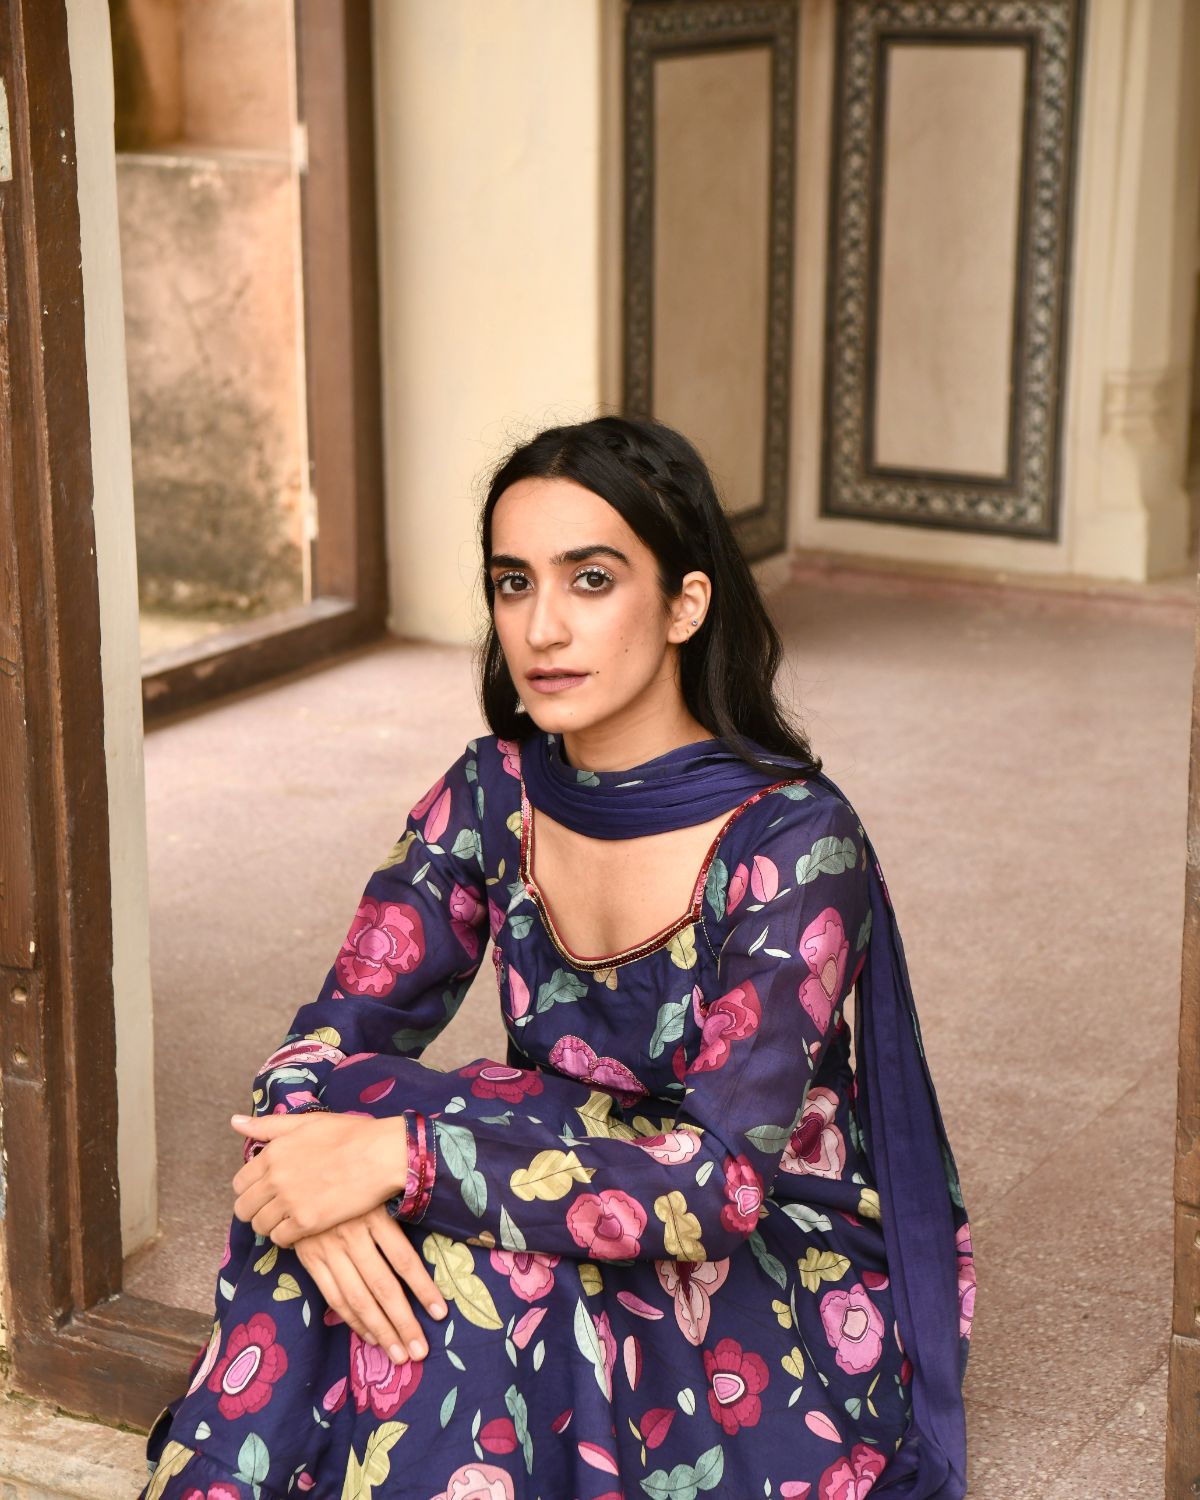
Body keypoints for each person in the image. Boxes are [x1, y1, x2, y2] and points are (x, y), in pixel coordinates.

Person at [139, 414, 974, 1499]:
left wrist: (401, 1164)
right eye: (513, 583)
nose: (540, 627)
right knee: (324, 1148)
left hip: (753, 1247)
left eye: (590, 580)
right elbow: (329, 1038)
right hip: (561, 1160)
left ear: (685, 604)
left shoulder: (796, 842)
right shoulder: (494, 789)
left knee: (467, 1252)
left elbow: (715, 1185)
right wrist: (319, 1171)